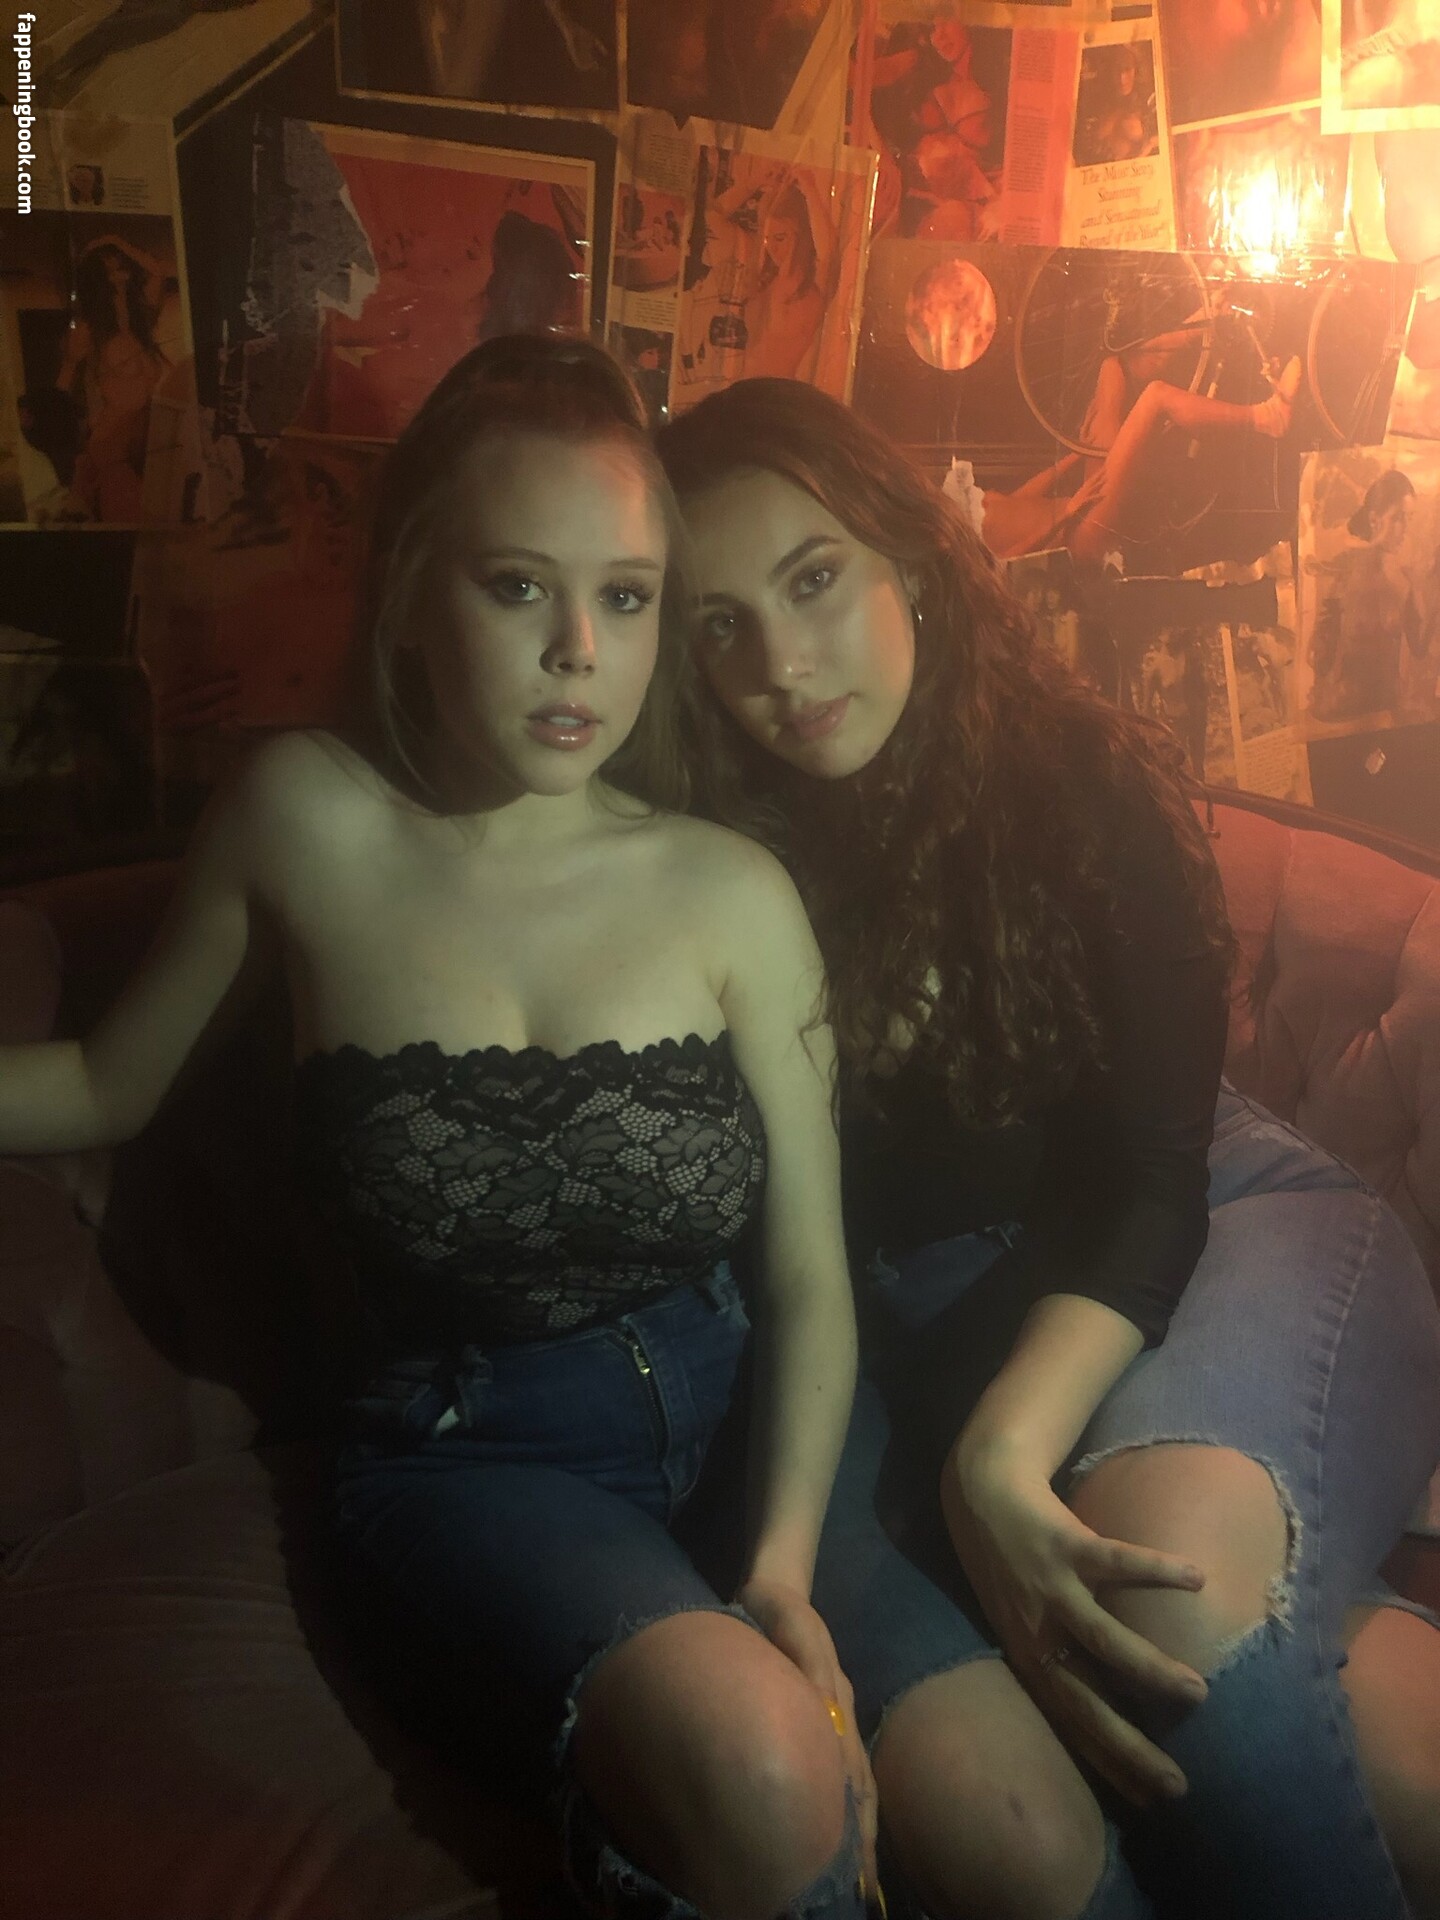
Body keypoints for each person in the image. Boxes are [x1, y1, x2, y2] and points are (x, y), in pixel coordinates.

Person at [0, 337, 872, 1920]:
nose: (577, 654)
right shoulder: (303, 820)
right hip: (471, 1456)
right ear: (411, 589)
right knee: (767, 1778)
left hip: (750, 1419)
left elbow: (811, 1272)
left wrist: (784, 1566)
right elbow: (103, 1087)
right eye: (517, 587)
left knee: (975, 1810)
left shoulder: (730, 888)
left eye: (626, 598)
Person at [658, 377, 1440, 1920]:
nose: (780, 666)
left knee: (1181, 1635)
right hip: (883, 1337)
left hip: (1205, 1222)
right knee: (1000, 1831)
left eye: (813, 581)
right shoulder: (699, 849)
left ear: (909, 556)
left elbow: (1151, 1176)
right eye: (717, 625)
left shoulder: (1076, 778)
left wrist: (997, 1455)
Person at [1308, 468, 1428, 722]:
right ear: (1374, 519)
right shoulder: (1345, 570)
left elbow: (1419, 647)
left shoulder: (1407, 581)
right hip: (1343, 711)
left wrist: (1421, 591)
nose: (1405, 528)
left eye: (1409, 518)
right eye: (1398, 518)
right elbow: (1319, 655)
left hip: (1389, 709)